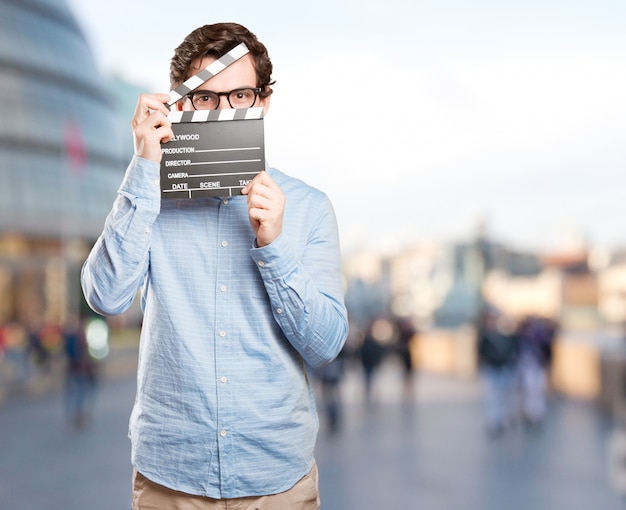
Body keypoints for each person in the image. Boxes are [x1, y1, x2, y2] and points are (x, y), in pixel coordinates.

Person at [81, 22, 348, 510]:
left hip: (277, 479)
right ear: (181, 104)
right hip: (170, 477)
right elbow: (105, 297)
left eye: (240, 95)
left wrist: (275, 247)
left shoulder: (309, 207)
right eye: (205, 97)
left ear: (263, 102)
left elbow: (327, 345)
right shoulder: (147, 202)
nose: (225, 112)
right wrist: (144, 167)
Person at [476, 307, 519, 437]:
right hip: (491, 368)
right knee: (492, 396)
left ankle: (501, 420)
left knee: (503, 396)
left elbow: (512, 350)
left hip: (504, 368)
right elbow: (480, 352)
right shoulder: (485, 335)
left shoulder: (505, 334)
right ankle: (493, 421)